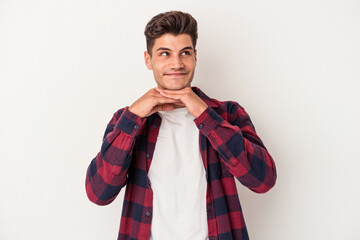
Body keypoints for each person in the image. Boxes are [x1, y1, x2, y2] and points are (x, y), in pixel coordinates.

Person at [85, 10, 277, 240]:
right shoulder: (126, 121)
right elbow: (99, 193)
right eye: (165, 53)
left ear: (195, 56)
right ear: (148, 60)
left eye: (184, 53)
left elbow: (263, 180)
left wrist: (203, 114)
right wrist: (134, 115)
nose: (176, 63)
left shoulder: (228, 114)